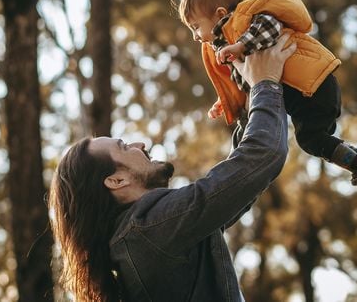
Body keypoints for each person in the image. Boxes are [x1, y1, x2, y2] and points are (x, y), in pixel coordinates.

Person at [49, 35, 297, 301]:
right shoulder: (151, 230)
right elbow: (263, 156)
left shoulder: (145, 234)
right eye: (123, 146)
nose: (140, 144)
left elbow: (238, 186)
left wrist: (245, 110)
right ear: (116, 180)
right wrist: (265, 84)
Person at [176, 0, 357, 199]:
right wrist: (225, 101)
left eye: (195, 26)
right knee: (314, 138)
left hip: (313, 86)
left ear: (220, 14)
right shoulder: (228, 41)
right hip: (307, 91)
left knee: (311, 139)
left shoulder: (245, 20)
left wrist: (241, 46)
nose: (195, 36)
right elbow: (248, 78)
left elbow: (270, 26)